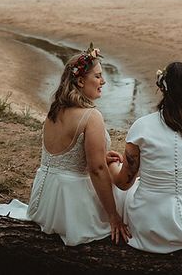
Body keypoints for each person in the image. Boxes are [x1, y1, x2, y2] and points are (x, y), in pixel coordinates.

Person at [112, 61, 182, 253]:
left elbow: (123, 183)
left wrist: (111, 166)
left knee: (121, 192)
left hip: (151, 224)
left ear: (163, 89)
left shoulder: (141, 127)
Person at [27, 44, 130, 246]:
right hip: (71, 204)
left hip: (44, 199)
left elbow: (64, 155)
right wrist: (112, 216)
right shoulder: (91, 117)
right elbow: (97, 169)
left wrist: (100, 156)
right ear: (81, 80)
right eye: (98, 76)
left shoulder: (54, 111)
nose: (103, 81)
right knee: (129, 201)